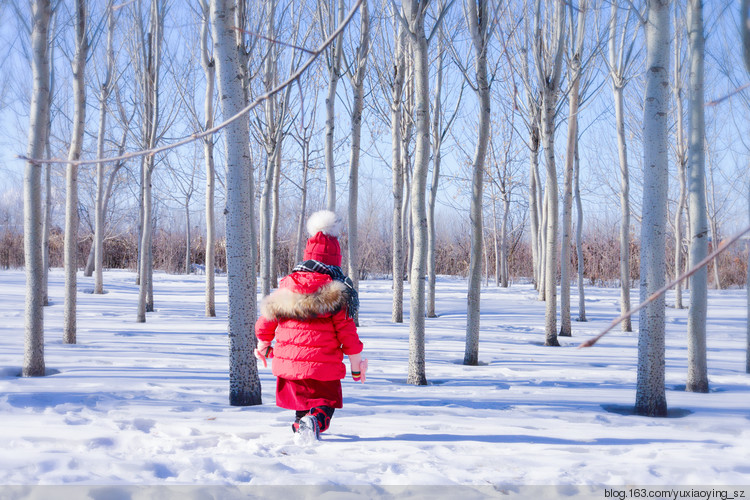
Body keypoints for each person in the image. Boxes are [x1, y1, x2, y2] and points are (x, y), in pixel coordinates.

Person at [254, 210, 367, 443]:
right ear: (336, 262)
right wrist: (356, 361)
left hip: (290, 367)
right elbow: (347, 332)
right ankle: (312, 424)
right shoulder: (336, 294)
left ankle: (301, 428)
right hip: (323, 368)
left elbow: (267, 319)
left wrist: (263, 342)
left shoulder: (286, 287)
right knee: (324, 405)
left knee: (302, 404)